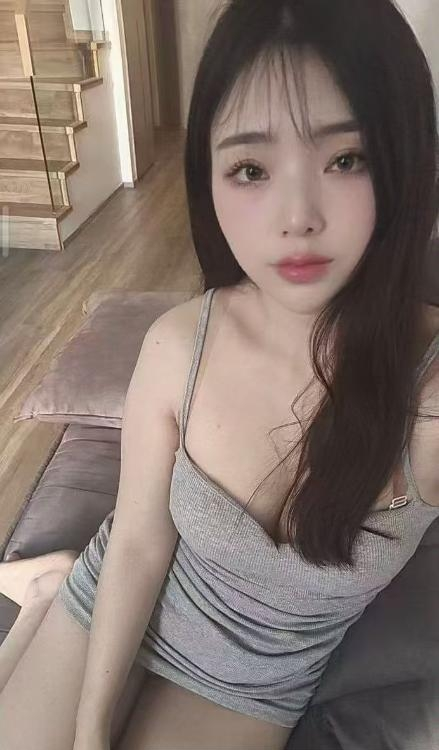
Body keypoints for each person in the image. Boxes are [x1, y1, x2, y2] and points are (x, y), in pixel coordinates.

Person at [1, 0, 439, 748]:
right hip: (115, 598)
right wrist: (90, 731)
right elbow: (138, 542)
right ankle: (54, 585)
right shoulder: (181, 343)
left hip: (247, 680)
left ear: (402, 158)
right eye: (250, 169)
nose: (296, 216)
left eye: (346, 159)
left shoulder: (427, 400)